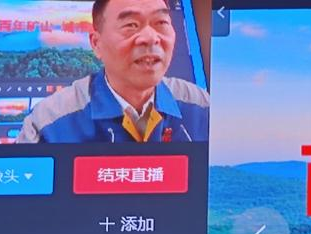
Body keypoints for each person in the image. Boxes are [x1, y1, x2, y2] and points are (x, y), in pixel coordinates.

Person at [17, 0, 208, 143]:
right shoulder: (49, 123)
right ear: (96, 44)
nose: (151, 38)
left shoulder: (202, 107)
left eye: (161, 22)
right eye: (131, 25)